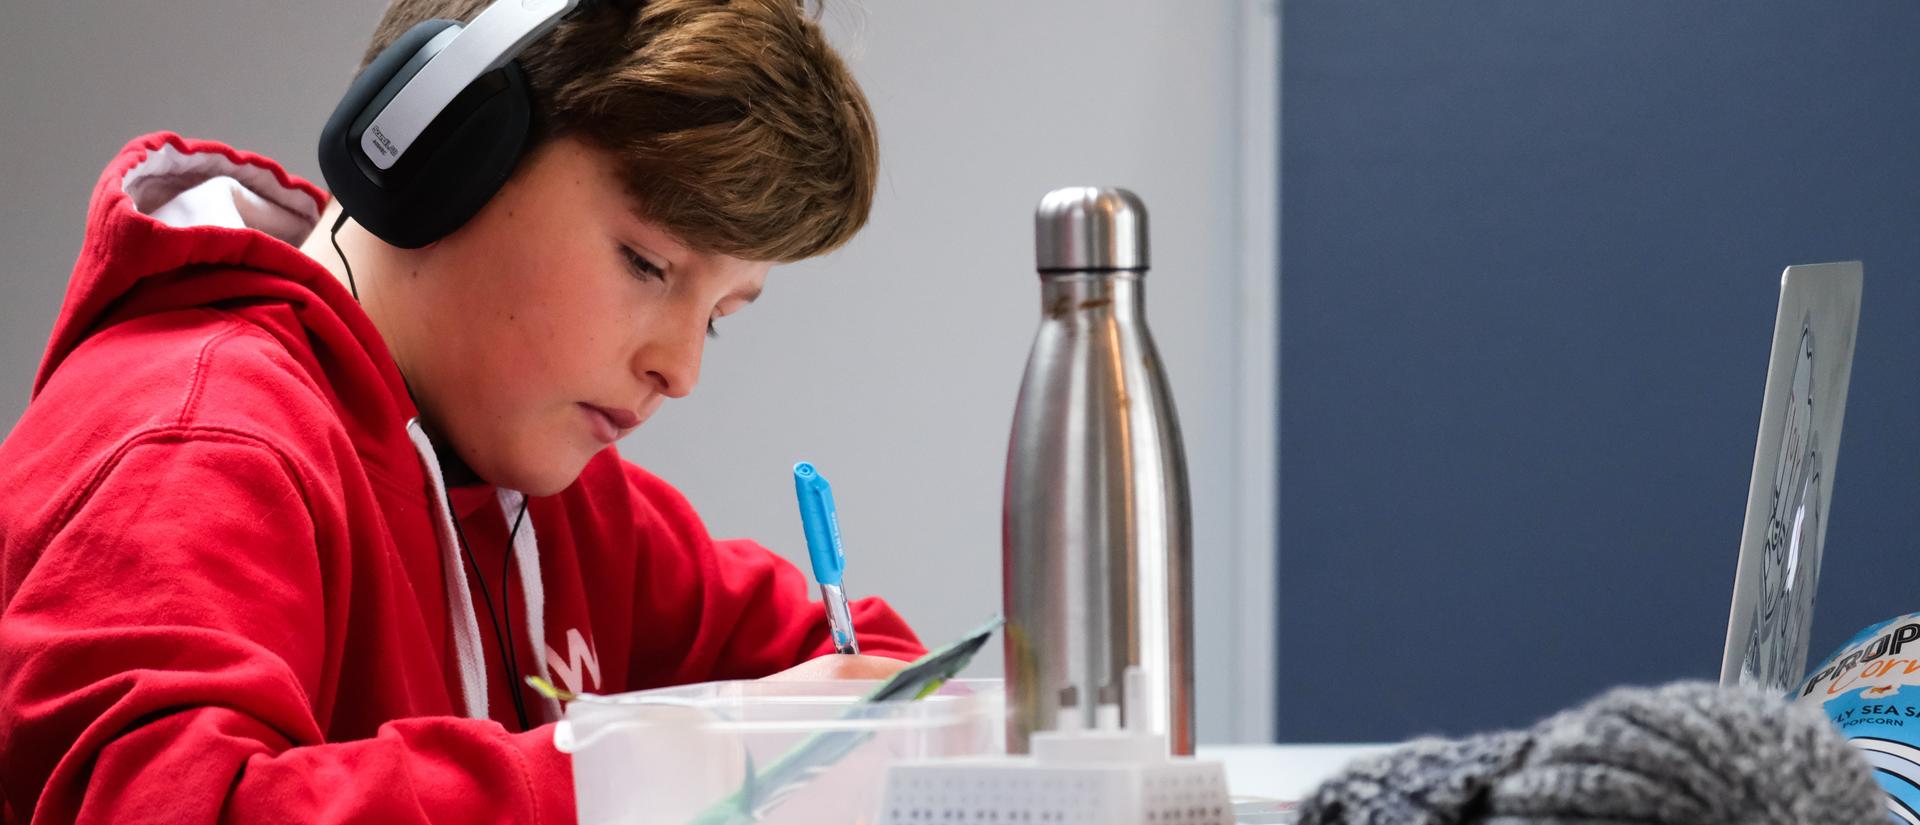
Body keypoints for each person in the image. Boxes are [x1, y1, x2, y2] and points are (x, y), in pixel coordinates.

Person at [0, 0, 925, 821]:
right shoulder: (196, 445)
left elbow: (857, 672)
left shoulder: (554, 500)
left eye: (718, 320)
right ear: (444, 158)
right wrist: (660, 762)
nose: (679, 369)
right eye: (648, 266)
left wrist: (872, 719)